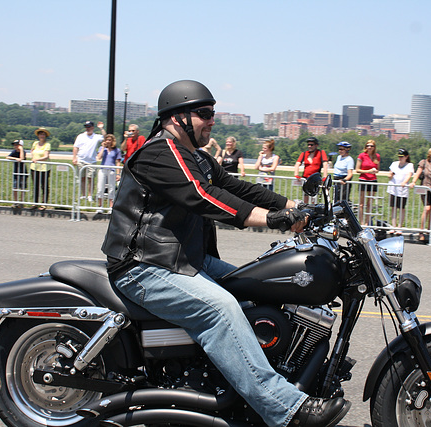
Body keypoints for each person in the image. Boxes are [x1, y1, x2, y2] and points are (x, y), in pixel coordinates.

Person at [101, 80, 349, 427]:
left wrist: (299, 208)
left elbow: (238, 187)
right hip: (145, 266)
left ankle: (237, 382)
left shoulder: (196, 158)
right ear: (177, 117)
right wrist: (275, 221)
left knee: (259, 289)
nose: (212, 120)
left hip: (185, 260)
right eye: (204, 113)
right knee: (222, 310)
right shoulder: (160, 153)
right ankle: (286, 410)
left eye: (212, 113)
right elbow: (204, 197)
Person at [73, 120, 105, 201]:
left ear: (92, 128)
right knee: (82, 178)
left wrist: (101, 128)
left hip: (91, 161)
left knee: (91, 179)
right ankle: (83, 195)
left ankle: (90, 195)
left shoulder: (96, 136)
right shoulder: (80, 136)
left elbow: (106, 137)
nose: (87, 128)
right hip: (81, 160)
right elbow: (75, 147)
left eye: (89, 127)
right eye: (86, 127)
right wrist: (74, 157)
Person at [387, 148, 414, 234]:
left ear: (406, 157)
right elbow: (389, 174)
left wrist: (404, 182)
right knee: (393, 208)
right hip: (393, 189)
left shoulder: (409, 165)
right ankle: (393, 226)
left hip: (402, 190)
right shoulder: (394, 164)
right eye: (399, 157)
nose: (400, 158)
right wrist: (390, 175)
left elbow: (409, 175)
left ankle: (399, 227)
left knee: (401, 208)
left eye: (402, 157)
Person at [95, 134, 123, 213]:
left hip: (111, 170)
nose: (108, 141)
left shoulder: (116, 150)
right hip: (103, 169)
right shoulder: (102, 148)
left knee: (111, 188)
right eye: (107, 139)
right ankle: (100, 206)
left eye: (110, 140)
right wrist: (103, 147)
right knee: (100, 188)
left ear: (112, 141)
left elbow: (118, 162)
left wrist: (118, 173)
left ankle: (111, 206)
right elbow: (99, 157)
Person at [355, 139, 380, 225]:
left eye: (371, 146)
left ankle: (367, 222)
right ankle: (361, 222)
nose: (369, 147)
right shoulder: (362, 155)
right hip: (363, 179)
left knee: (369, 203)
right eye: (368, 146)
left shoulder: (377, 156)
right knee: (361, 203)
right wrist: (368, 171)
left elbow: (378, 169)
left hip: (373, 180)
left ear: (374, 147)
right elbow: (357, 170)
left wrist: (375, 171)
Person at [30, 127, 52, 210]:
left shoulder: (47, 144)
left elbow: (46, 156)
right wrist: (33, 158)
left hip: (44, 168)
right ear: (38, 135)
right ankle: (35, 203)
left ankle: (44, 203)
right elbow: (32, 151)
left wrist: (37, 159)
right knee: (35, 186)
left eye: (43, 134)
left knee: (44, 186)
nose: (42, 136)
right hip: (34, 167)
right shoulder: (35, 143)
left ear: (45, 136)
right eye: (40, 134)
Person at [6, 139, 26, 208]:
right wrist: (15, 158)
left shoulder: (23, 152)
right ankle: (15, 201)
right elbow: (7, 157)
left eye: (17, 145)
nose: (15, 146)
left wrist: (21, 150)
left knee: (22, 188)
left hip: (23, 172)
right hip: (16, 172)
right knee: (15, 187)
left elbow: (22, 158)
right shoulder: (14, 152)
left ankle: (21, 201)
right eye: (14, 145)